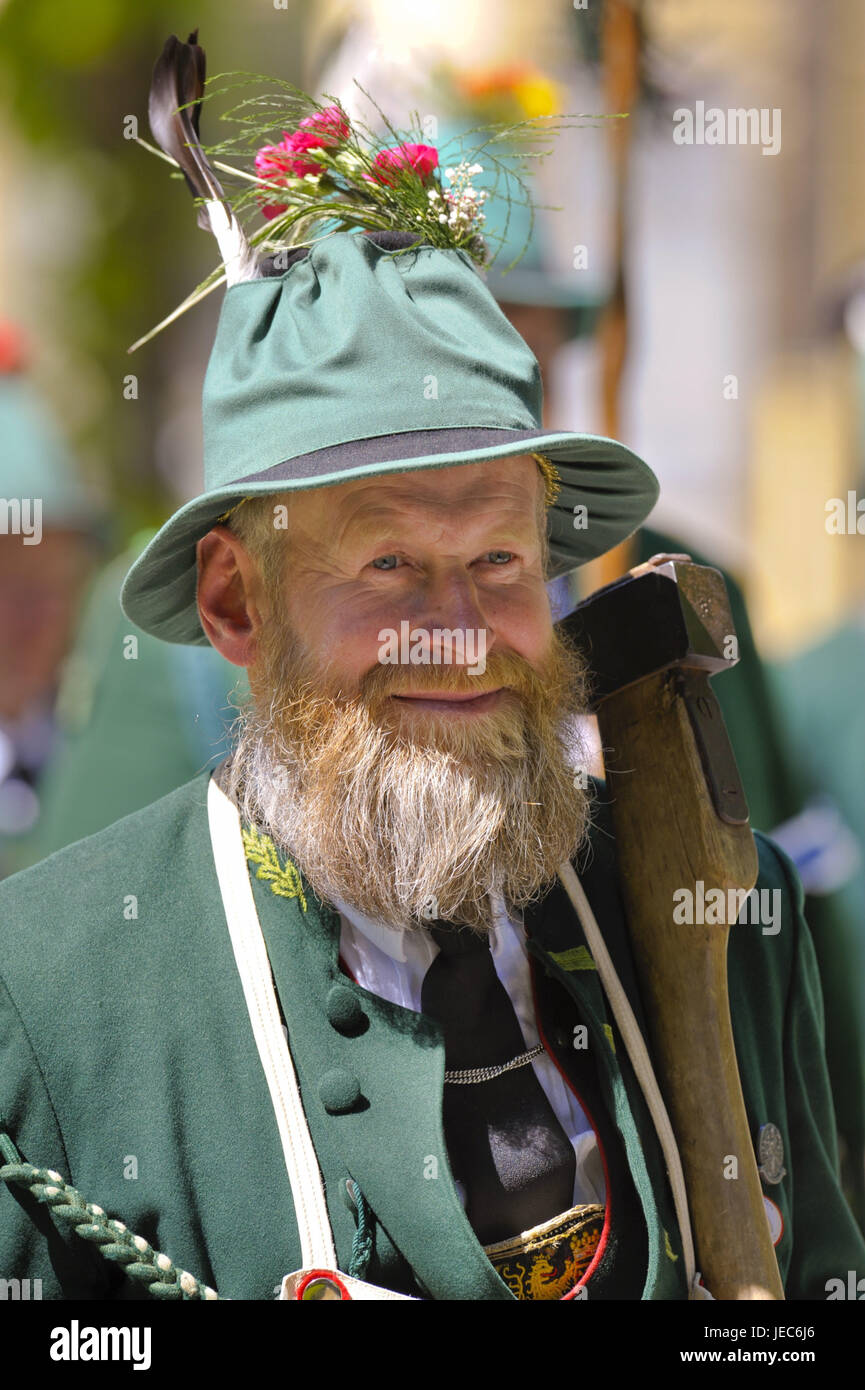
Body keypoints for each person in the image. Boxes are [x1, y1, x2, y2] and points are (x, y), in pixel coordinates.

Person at [0, 33, 862, 1303]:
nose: (459, 629)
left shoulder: (727, 920)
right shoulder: (45, 1010)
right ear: (237, 599)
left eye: (502, 563)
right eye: (391, 565)